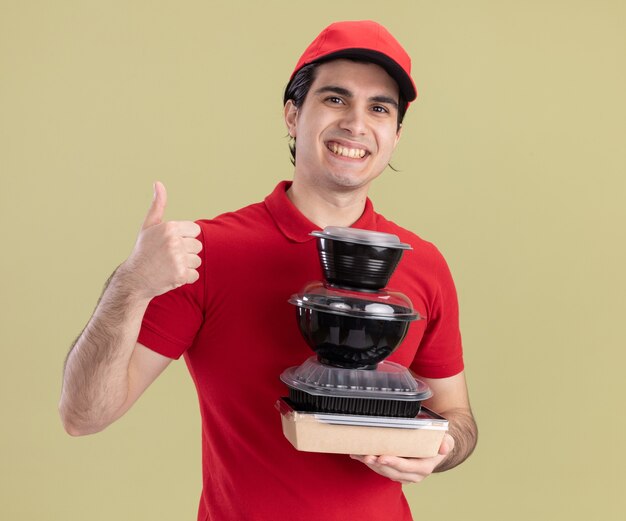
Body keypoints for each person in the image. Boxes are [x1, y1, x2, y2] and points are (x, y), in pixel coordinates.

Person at [59, 20, 477, 521]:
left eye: (379, 108)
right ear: (293, 114)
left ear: (396, 135)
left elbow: (458, 418)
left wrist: (441, 447)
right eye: (336, 99)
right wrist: (131, 283)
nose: (356, 124)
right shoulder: (208, 252)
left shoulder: (424, 264)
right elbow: (83, 416)